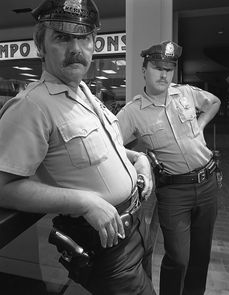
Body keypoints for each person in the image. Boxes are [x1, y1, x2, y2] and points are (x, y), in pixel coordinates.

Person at [0, 1, 156, 294]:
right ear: (40, 46)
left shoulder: (86, 95)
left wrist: (139, 158)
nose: (76, 47)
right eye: (62, 37)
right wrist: (83, 202)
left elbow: (106, 151)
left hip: (135, 228)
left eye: (84, 37)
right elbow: (3, 187)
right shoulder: (32, 106)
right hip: (107, 247)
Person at [117, 41, 221, 295]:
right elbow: (110, 146)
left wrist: (201, 125)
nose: (164, 74)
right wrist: (139, 158)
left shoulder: (185, 93)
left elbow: (214, 102)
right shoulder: (132, 112)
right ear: (144, 70)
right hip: (175, 193)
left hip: (208, 183)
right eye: (157, 67)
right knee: (178, 257)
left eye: (169, 68)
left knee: (200, 255)